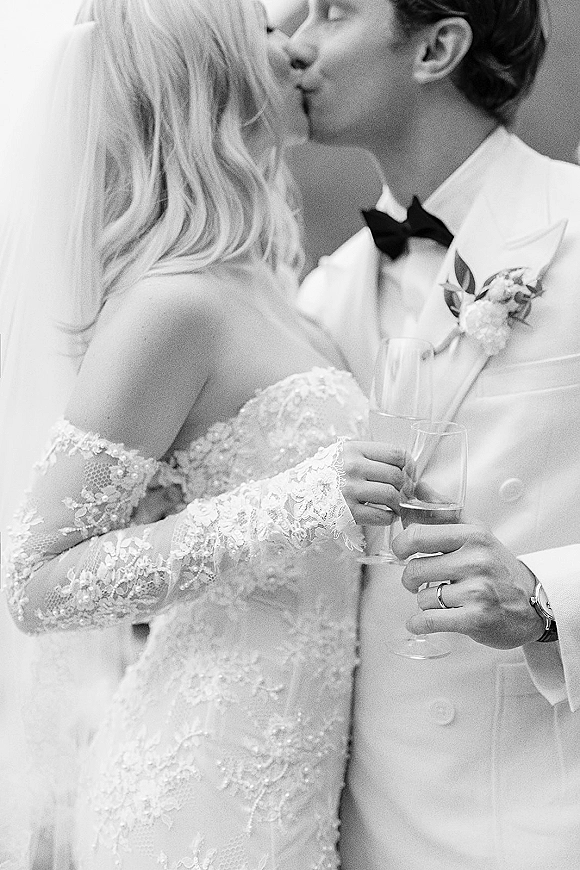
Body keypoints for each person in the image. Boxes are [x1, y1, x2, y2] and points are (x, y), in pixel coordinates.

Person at [0, 0, 406, 867]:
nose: (298, 48)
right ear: (215, 72)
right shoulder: (170, 303)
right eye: (270, 32)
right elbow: (36, 583)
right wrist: (306, 500)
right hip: (199, 793)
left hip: (301, 790)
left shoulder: (262, 278)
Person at [289, 1, 580, 868]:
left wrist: (543, 595)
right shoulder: (320, 296)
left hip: (550, 804)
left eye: (333, 11)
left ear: (436, 46)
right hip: (373, 825)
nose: (296, 44)